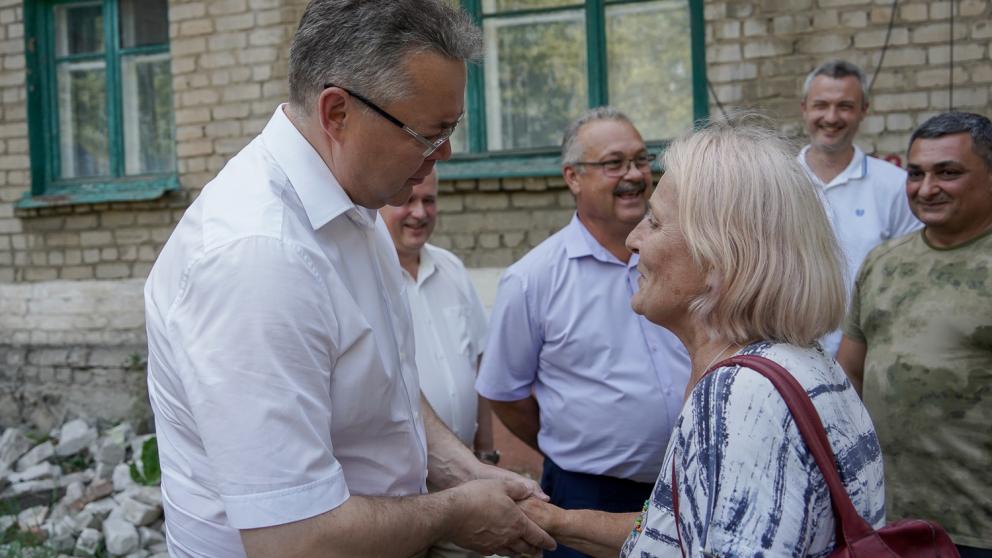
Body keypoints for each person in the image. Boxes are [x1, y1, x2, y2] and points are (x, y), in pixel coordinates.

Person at [143, 2, 555, 557]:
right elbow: (293, 541)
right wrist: (453, 514)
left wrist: (463, 472)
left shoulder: (352, 201)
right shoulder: (258, 258)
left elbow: (390, 392)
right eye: (429, 133)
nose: (446, 154)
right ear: (337, 113)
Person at [519, 117, 885, 556]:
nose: (634, 239)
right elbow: (683, 532)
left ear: (717, 256)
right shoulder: (797, 364)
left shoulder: (741, 397)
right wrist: (551, 519)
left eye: (654, 223)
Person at [476, 107, 691, 557]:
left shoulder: (685, 259)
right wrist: (571, 440)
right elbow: (503, 393)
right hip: (586, 496)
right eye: (614, 164)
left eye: (640, 160)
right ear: (573, 176)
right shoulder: (533, 279)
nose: (633, 175)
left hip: (687, 485)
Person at [837, 112, 992, 558]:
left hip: (978, 528)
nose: (926, 189)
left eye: (948, 173)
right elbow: (849, 374)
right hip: (891, 520)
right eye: (916, 173)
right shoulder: (882, 262)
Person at [379, 168, 496, 558]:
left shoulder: (451, 268)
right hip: (395, 497)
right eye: (406, 201)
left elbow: (477, 366)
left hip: (462, 479)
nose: (419, 212)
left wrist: (486, 456)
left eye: (428, 200)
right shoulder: (367, 276)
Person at [797, 59, 920, 354]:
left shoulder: (894, 186)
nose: (831, 116)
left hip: (872, 352)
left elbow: (912, 273)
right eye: (821, 105)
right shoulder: (775, 183)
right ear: (804, 108)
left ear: (864, 110)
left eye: (845, 106)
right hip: (790, 352)